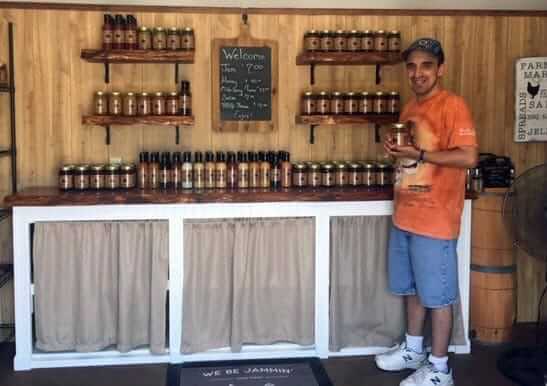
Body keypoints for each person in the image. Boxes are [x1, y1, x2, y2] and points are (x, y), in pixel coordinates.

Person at [374, 38, 478, 386]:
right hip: (405, 213)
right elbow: (416, 156)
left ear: (440, 69)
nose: (418, 73)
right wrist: (399, 153)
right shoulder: (410, 109)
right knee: (413, 289)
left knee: (438, 296)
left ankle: (440, 368)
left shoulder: (453, 105)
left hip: (435, 218)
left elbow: (468, 156)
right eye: (412, 66)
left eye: (426, 66)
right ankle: (413, 350)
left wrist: (419, 155)